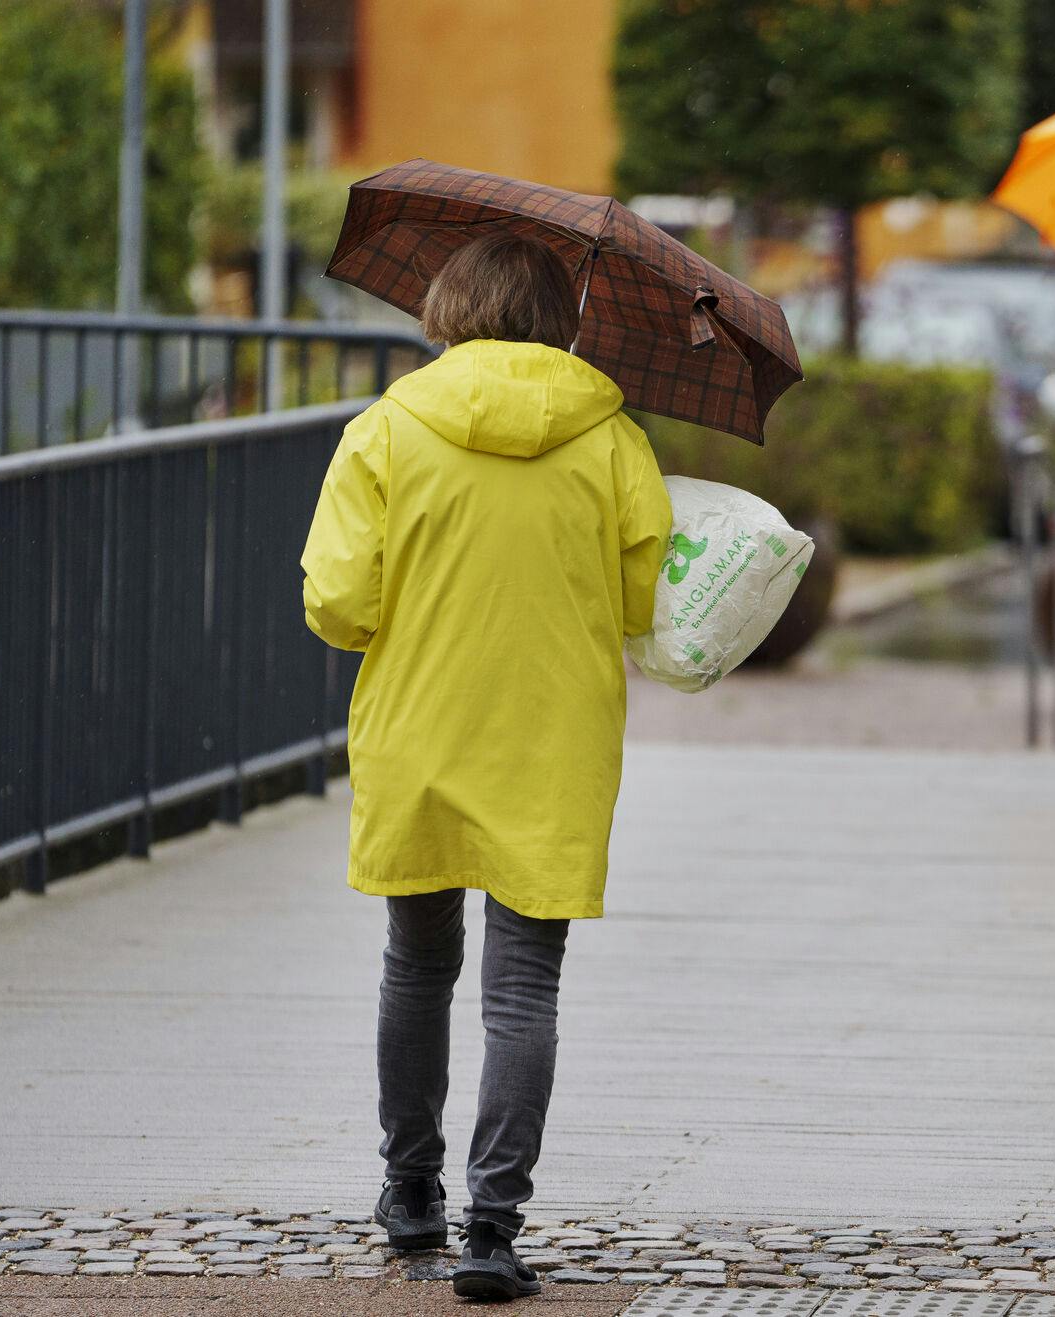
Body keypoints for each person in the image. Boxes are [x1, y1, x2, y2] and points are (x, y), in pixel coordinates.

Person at [299, 233, 672, 1302]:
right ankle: (494, 1225)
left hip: (419, 729)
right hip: (552, 740)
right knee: (525, 984)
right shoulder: (613, 441)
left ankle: (409, 1192)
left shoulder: (385, 431)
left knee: (417, 965)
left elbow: (339, 604)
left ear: (448, 310)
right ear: (562, 319)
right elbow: (645, 606)